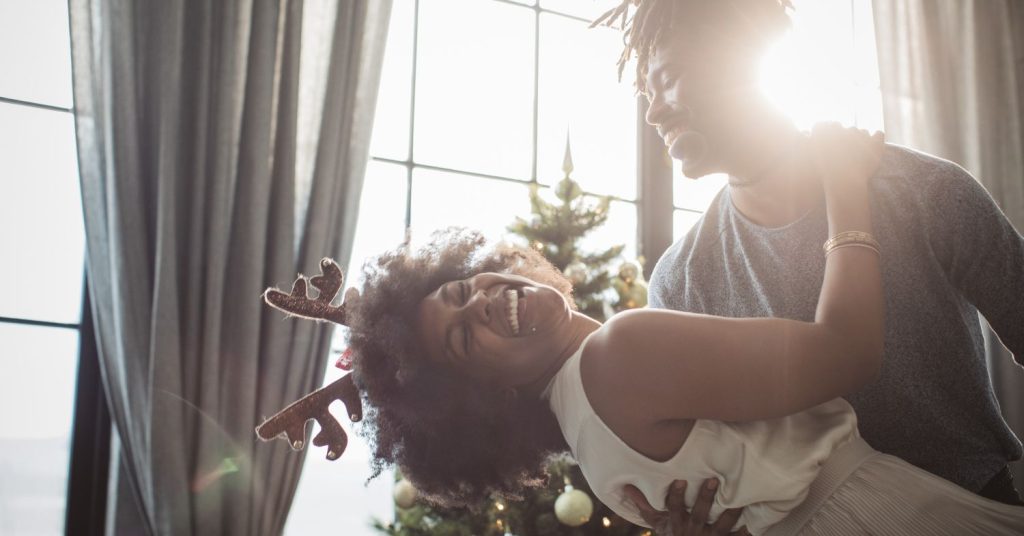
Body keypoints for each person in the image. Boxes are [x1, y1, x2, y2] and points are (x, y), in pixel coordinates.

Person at [264, 125, 1024, 535]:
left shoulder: (596, 454)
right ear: (487, 395)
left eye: (464, 287)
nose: (485, 301)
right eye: (465, 337)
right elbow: (850, 351)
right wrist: (846, 189)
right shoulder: (619, 353)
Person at [589, 0, 1024, 530]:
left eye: (670, 79)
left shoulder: (923, 192)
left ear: (744, 58)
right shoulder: (680, 281)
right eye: (646, 95)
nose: (653, 113)